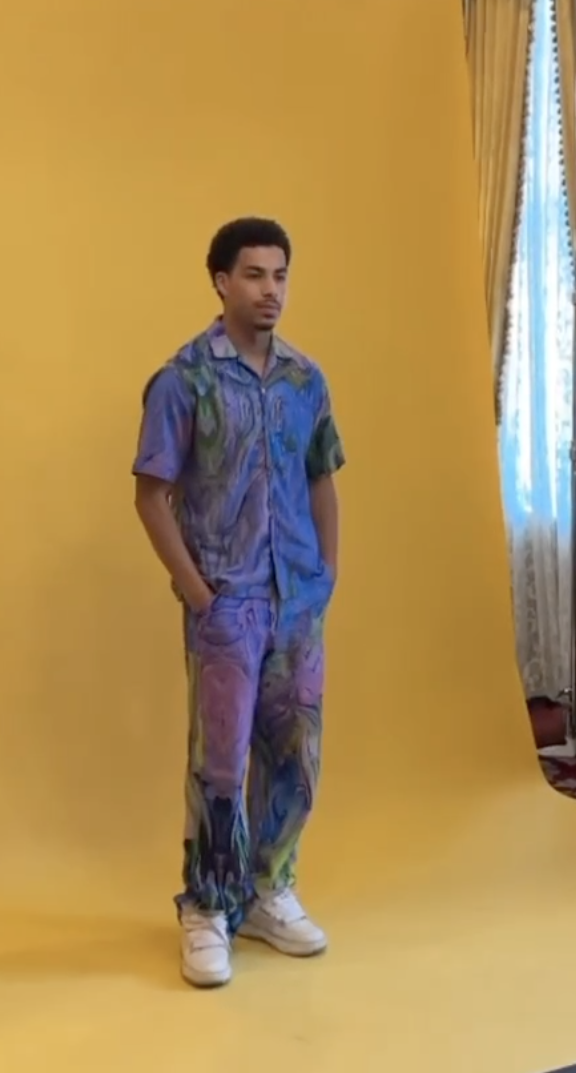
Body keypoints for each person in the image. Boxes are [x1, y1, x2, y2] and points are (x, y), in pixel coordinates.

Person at [131, 217, 345, 988]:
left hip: (295, 605)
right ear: (221, 280)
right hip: (227, 604)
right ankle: (207, 909)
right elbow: (151, 495)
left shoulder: (304, 381)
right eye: (255, 275)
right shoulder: (184, 380)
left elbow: (323, 477)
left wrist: (326, 575)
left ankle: (269, 890)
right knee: (219, 764)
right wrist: (197, 592)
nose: (271, 291)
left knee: (295, 757)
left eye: (281, 275)